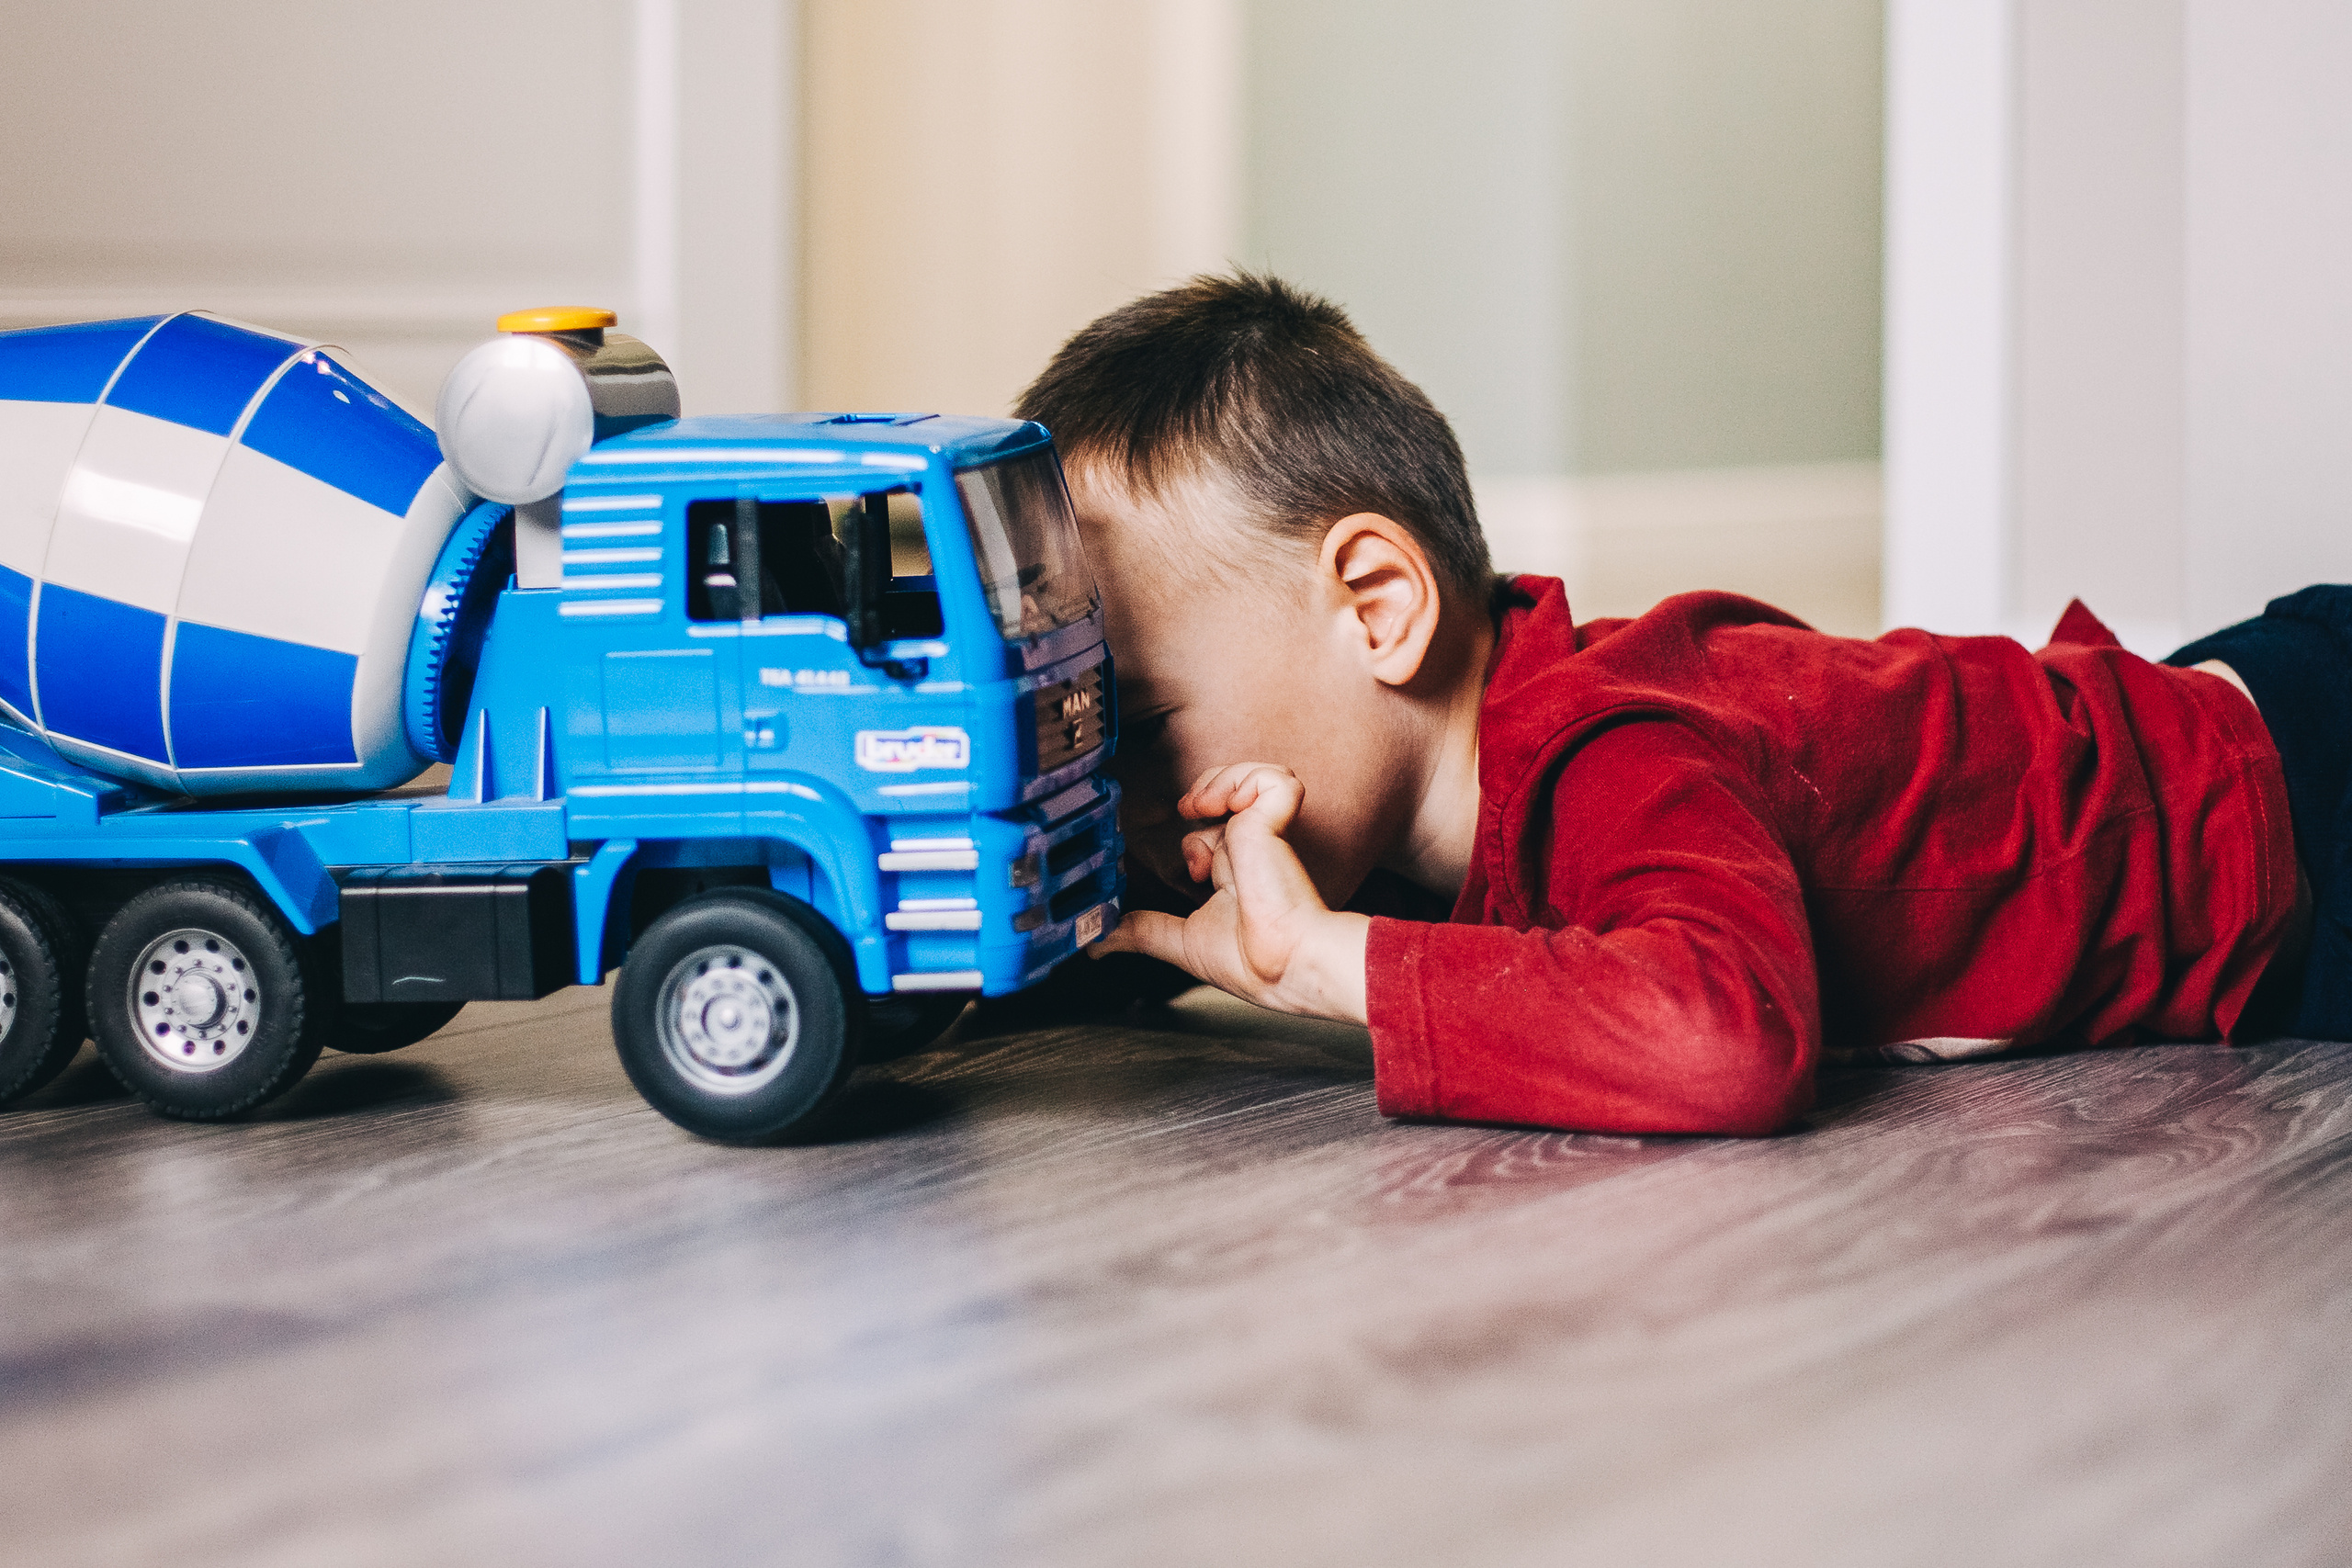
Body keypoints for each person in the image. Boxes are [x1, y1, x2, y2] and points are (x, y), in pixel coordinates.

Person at [1008, 272, 2338, 1136]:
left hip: (2296, 814)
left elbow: (1721, 1041)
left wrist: (1325, 963)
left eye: (1137, 728)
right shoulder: (1375, 795)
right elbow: (1124, 948)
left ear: (1377, 609)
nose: (1103, 790)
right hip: (2184, 732)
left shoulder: (1610, 750)